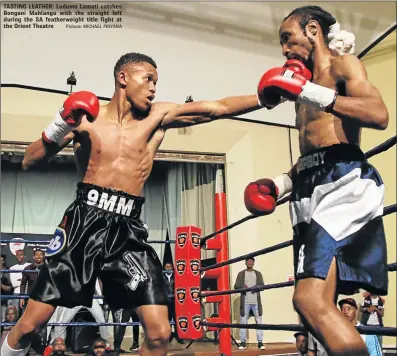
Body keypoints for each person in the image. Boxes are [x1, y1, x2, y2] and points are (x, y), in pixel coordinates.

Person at [1, 52, 270, 356]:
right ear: (123, 78)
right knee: (30, 325)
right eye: (149, 79)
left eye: (156, 81)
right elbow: (29, 160)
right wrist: (61, 123)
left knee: (159, 333)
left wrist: (266, 97)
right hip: (82, 225)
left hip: (127, 231)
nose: (154, 88)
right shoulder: (86, 119)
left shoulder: (158, 117)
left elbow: (216, 108)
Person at [243, 5, 389, 356]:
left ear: (312, 30)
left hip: (344, 183)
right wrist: (279, 185)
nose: (284, 50)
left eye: (287, 38)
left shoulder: (343, 67)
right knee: (313, 306)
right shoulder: (302, 90)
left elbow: (378, 115)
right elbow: (314, 152)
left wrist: (311, 92)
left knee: (307, 297)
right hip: (309, 189)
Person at [234, 257, 265, 350]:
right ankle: (243, 342)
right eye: (248, 261)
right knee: (243, 322)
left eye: (251, 261)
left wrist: (255, 287)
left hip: (256, 302)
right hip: (245, 302)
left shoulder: (258, 274)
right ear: (245, 263)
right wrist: (244, 287)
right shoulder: (241, 274)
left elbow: (263, 286)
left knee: (259, 322)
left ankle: (260, 342)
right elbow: (236, 286)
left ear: (254, 263)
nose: (250, 263)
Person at [163, 262, 183, 346]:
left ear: (172, 268)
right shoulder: (162, 277)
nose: (168, 268)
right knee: (167, 320)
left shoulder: (176, 276)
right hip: (166, 301)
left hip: (175, 301)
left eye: (170, 267)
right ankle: (169, 336)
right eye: (167, 267)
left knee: (176, 319)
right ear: (164, 268)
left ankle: (179, 337)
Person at [1, 254, 14, 322]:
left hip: (4, 298)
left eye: (2, 260)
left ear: (4, 261)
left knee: (4, 318)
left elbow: (10, 287)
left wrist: (2, 285)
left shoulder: (8, 271)